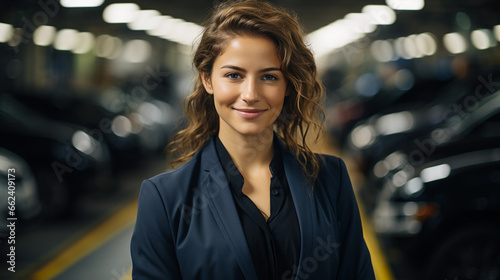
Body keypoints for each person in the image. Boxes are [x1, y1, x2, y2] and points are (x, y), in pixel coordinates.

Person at [130, 0, 375, 279]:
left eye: (269, 77)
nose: (250, 94)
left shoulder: (331, 179)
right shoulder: (164, 198)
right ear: (207, 80)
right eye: (234, 75)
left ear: (287, 86)